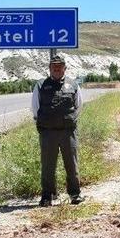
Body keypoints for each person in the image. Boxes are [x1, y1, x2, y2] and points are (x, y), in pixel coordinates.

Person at [31, 55, 84, 207]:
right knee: (48, 165)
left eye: (60, 66)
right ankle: (47, 196)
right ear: (49, 68)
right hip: (48, 133)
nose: (57, 68)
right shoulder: (41, 85)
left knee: (72, 164)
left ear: (65, 68)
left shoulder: (73, 85)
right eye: (54, 66)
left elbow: (79, 106)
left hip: (68, 133)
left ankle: (75, 194)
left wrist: (69, 120)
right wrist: (44, 124)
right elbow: (35, 108)